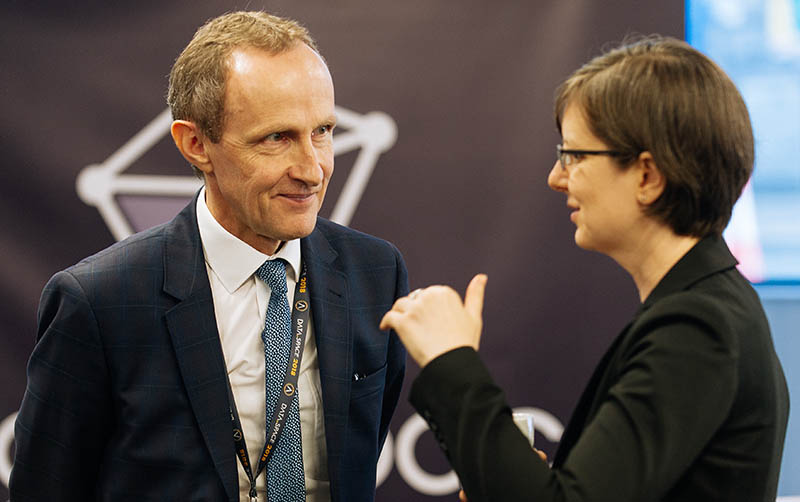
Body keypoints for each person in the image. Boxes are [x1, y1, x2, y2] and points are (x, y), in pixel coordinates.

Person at [11, 11, 407, 502]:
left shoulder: (376, 273)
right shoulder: (98, 302)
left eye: (323, 130)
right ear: (195, 144)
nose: (313, 168)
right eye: (277, 138)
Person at [380, 36, 789, 501]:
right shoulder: (709, 306)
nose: (557, 177)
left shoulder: (697, 328)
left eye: (574, 156)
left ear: (647, 176)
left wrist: (449, 359)